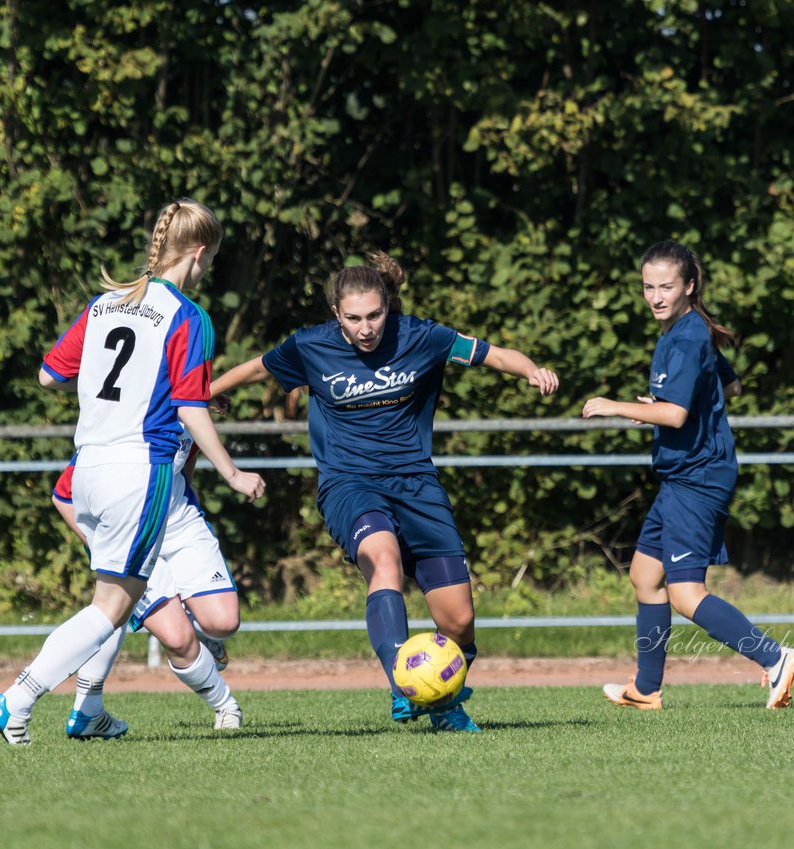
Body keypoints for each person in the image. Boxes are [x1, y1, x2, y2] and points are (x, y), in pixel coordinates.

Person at [210, 251, 559, 732]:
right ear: (337, 314)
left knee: (457, 624)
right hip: (349, 484)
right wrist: (206, 393)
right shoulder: (312, 346)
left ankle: (440, 702)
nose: (365, 327)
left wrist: (531, 370)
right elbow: (256, 368)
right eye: (353, 318)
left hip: (417, 484)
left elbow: (493, 354)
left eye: (374, 315)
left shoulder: (421, 336)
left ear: (387, 306)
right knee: (384, 559)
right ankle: (403, 685)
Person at [0, 198, 264, 745]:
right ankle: (14, 700)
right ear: (200, 252)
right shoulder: (188, 316)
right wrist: (232, 473)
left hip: (87, 468)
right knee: (109, 608)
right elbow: (189, 406)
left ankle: (83, 710)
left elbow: (47, 376)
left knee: (110, 602)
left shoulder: (105, 303)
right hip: (141, 472)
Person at [582, 240, 794, 711]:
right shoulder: (690, 330)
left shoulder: (685, 337)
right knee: (645, 576)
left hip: (698, 477)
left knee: (685, 593)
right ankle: (646, 689)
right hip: (683, 475)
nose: (656, 296)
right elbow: (731, 385)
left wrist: (616, 408)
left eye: (666, 286)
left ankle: (775, 657)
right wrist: (661, 410)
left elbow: (680, 415)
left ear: (688, 285)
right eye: (648, 286)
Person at [51, 431, 244, 738]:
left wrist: (205, 401)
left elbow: (186, 465)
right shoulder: (123, 426)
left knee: (223, 622)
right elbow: (63, 496)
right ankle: (226, 706)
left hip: (180, 528)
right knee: (177, 640)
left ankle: (66, 706)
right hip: (132, 541)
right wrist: (107, 550)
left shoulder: (189, 414)